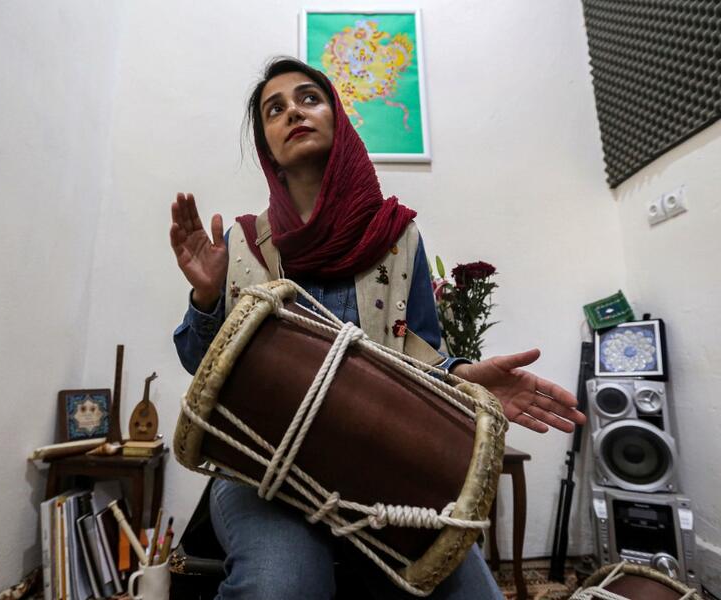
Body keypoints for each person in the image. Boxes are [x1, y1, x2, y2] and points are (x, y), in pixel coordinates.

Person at [170, 57, 586, 600]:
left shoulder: (398, 236)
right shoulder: (243, 245)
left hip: (378, 466)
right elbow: (203, 371)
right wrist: (206, 296)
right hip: (261, 475)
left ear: (338, 119)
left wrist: (464, 377)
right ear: (267, 146)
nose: (294, 110)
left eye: (308, 98)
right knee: (286, 586)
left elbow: (417, 358)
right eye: (275, 109)